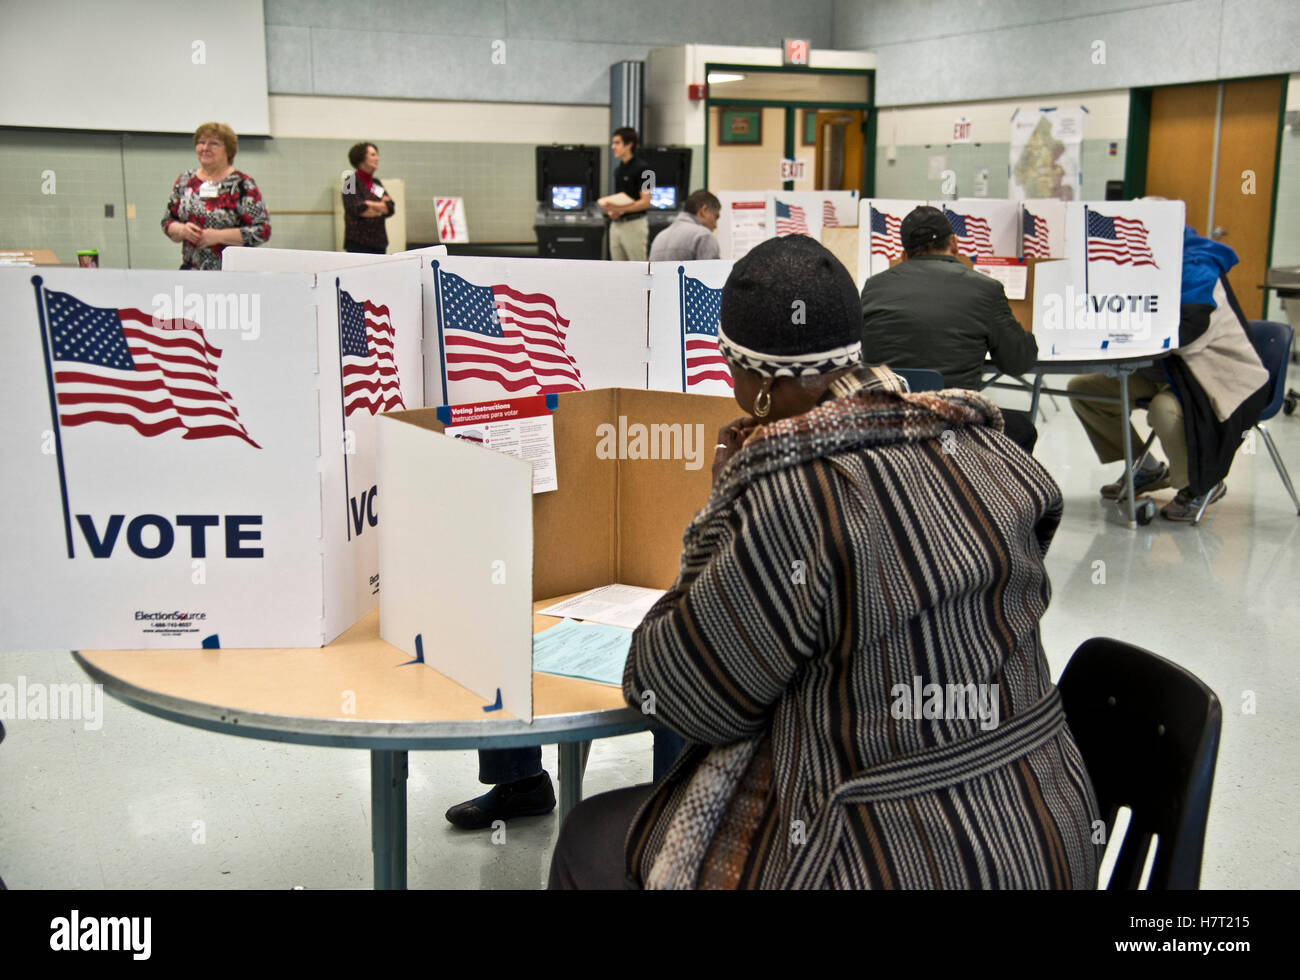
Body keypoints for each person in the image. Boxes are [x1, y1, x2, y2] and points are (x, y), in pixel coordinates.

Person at [548, 235, 1100, 890]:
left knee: (587, 837)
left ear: (754, 388)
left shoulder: (791, 495)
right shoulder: (993, 451)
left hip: (876, 856)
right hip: (1041, 834)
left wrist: (720, 511)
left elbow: (674, 694)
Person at [1067, 226, 1269, 520]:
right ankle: (1146, 467)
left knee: (1164, 410)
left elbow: (1190, 335)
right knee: (1084, 389)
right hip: (1167, 370)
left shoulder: (1199, 269)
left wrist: (1128, 330)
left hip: (1214, 375)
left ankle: (1199, 486)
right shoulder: (1143, 265)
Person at [860, 205, 1039, 452]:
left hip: (890, 424)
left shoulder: (873, 287)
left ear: (904, 253)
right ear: (955, 243)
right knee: (1023, 429)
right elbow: (1018, 362)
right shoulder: (985, 289)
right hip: (953, 426)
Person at [162, 122, 270, 270]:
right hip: (191, 271)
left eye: (214, 143)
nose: (205, 148)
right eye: (201, 142)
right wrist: (182, 230)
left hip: (232, 273)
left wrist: (218, 236)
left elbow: (262, 230)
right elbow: (167, 221)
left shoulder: (243, 184)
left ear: (228, 150)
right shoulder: (185, 180)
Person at [603, 127, 652, 261]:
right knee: (618, 270)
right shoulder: (618, 170)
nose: (613, 147)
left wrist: (619, 209)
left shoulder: (646, 170)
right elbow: (621, 199)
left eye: (617, 143)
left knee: (638, 267)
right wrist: (614, 210)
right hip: (617, 224)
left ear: (629, 144)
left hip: (634, 225)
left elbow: (646, 202)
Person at [342, 142, 395, 254]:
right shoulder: (350, 183)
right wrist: (381, 207)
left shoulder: (376, 183)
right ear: (361, 158)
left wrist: (370, 204)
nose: (377, 158)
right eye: (373, 155)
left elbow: (390, 208)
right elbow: (359, 209)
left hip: (379, 244)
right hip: (358, 244)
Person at [648, 190, 721, 262]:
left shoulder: (659, 237)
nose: (715, 225)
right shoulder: (704, 236)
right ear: (704, 210)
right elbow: (712, 272)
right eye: (716, 217)